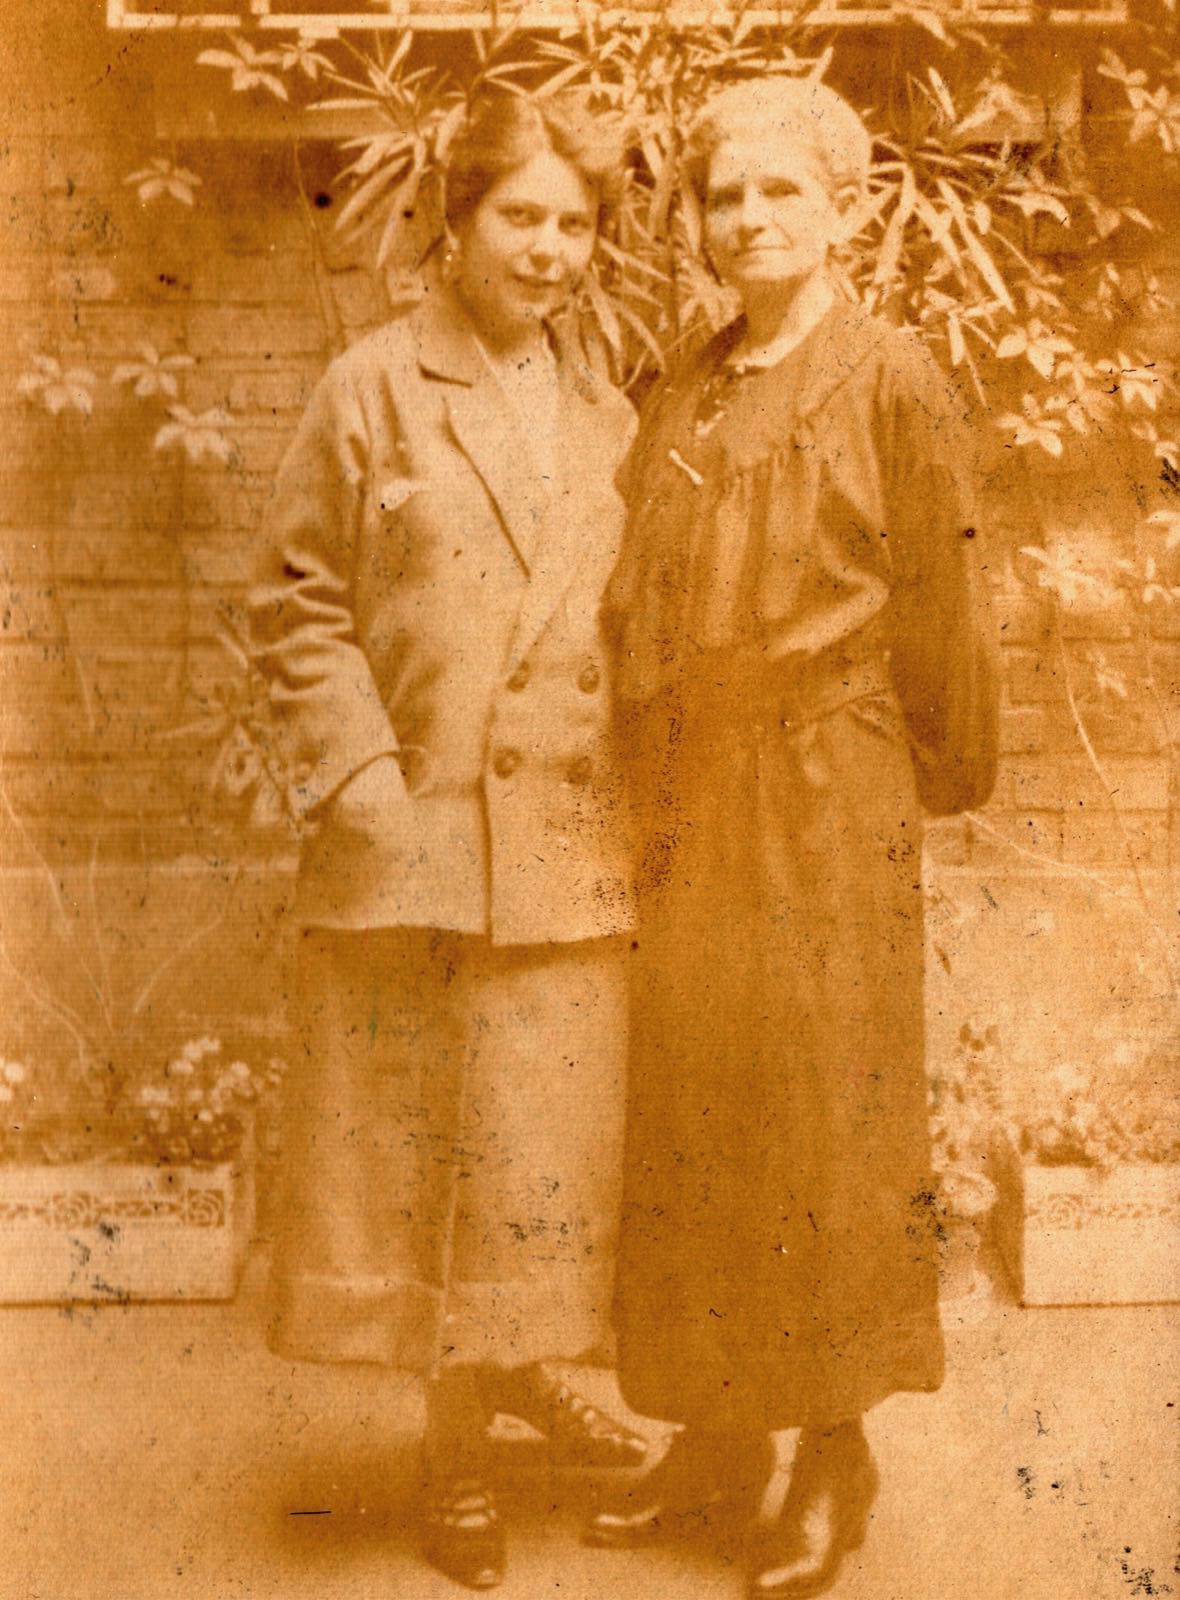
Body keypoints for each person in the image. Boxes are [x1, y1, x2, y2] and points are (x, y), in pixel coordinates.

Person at [587, 77, 1000, 1599]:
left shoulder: (893, 380)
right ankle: (713, 1442)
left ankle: (834, 1452)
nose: (748, 220)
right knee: (695, 1106)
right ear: (694, 220)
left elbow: (947, 612)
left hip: (829, 794)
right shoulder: (681, 386)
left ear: (848, 208)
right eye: (724, 196)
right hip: (692, 796)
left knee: (821, 1114)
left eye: (782, 194)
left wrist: (922, 783)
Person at [249, 90, 646, 1592]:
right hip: (414, 834)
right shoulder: (374, 386)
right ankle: (455, 1449)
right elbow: (294, 602)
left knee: (538, 1149)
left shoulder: (611, 409)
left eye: (576, 224)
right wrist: (355, 774)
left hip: (566, 848)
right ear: (459, 223)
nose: (552, 249)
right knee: (424, 1153)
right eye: (524, 217)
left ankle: (529, 1371)